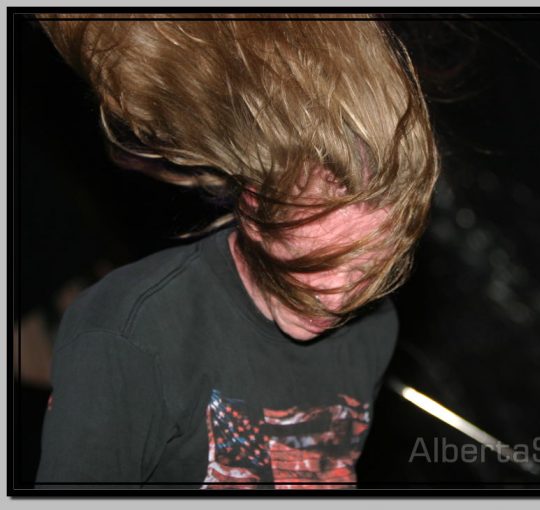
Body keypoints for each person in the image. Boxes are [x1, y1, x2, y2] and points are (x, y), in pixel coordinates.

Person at [33, 13, 439, 489]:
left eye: (367, 270)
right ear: (254, 205)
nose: (338, 300)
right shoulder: (130, 334)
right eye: (316, 270)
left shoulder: (372, 328)